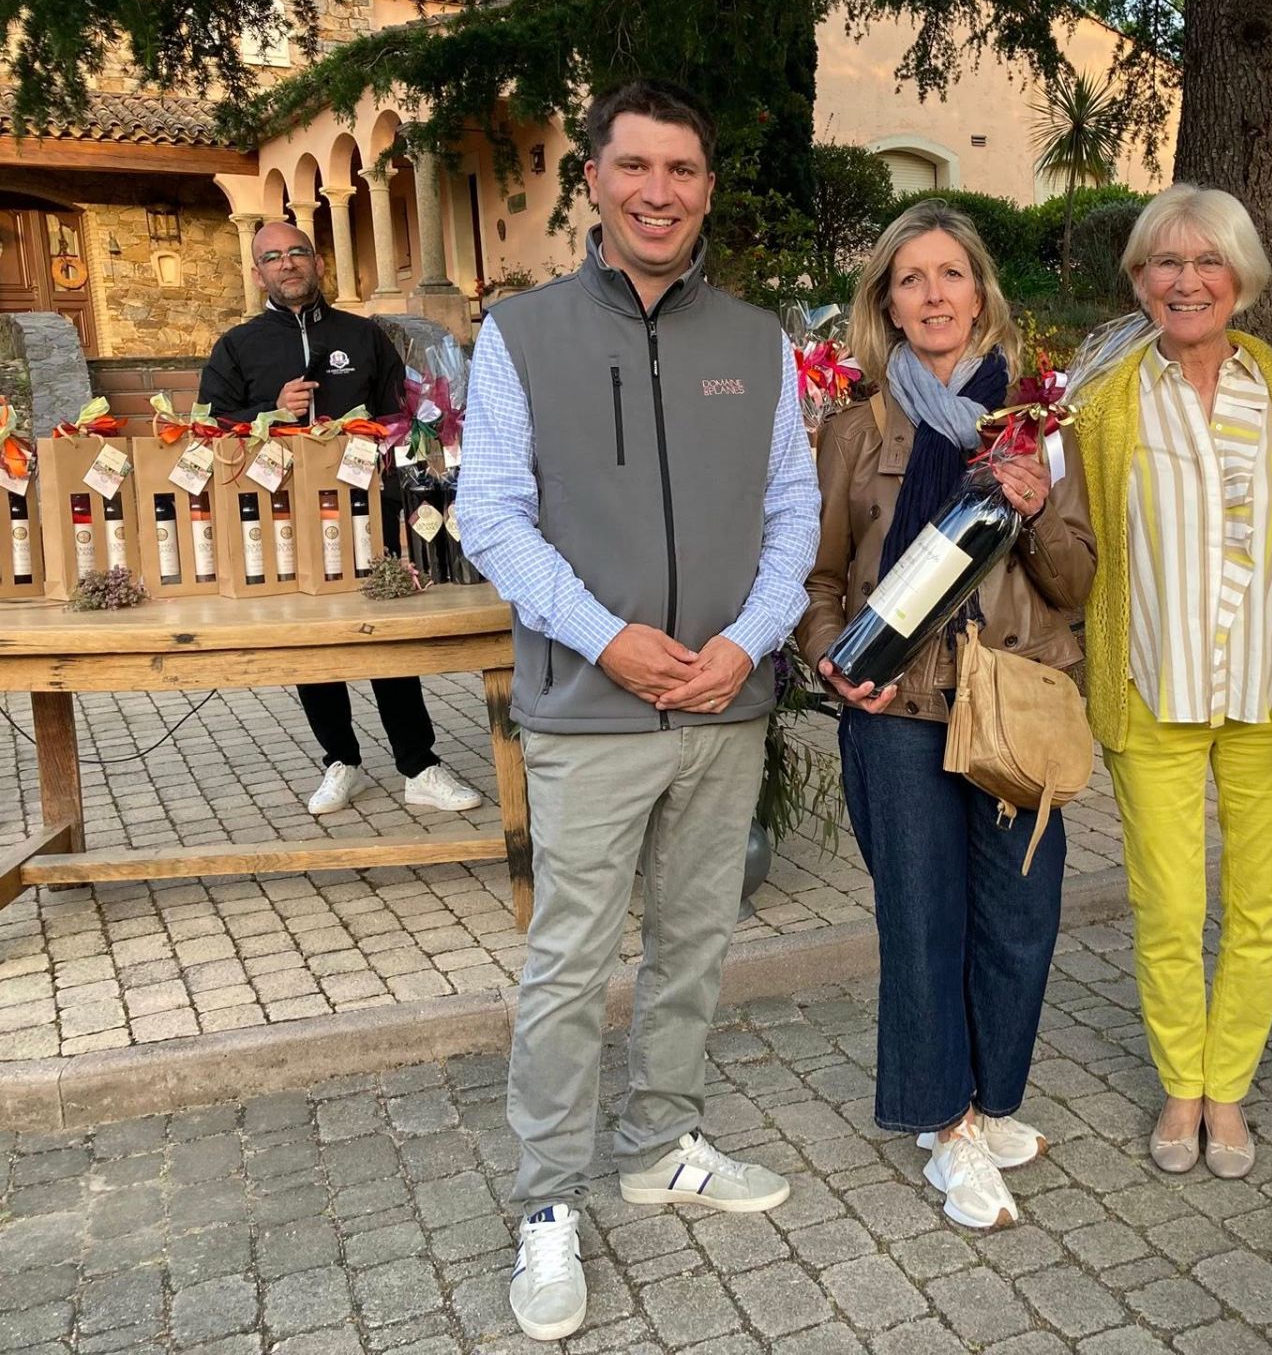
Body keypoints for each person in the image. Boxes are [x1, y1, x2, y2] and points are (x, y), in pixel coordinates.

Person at [460, 79, 819, 1343]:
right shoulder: (520, 337)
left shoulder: (759, 342)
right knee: (568, 964)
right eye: (634, 167)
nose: (658, 192)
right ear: (596, 181)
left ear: (707, 189)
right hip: (587, 708)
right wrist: (606, 635)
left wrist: (744, 643)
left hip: (724, 702)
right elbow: (490, 513)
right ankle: (548, 1200)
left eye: (682, 170)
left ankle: (661, 1144)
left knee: (695, 942)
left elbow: (793, 512)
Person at [797, 200, 1095, 1230]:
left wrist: (1037, 507)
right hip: (897, 708)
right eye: (910, 279)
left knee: (1019, 918)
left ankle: (988, 1097)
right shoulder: (854, 430)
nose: (933, 295)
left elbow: (1076, 582)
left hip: (1015, 701)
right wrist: (833, 661)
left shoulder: (1042, 428)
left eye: (950, 275)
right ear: (886, 303)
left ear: (980, 293)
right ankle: (950, 1123)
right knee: (922, 925)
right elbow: (818, 576)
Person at [1073, 185, 1272, 1180]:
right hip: (1151, 685)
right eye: (1164, 263)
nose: (1186, 281)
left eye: (1207, 261)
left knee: (1261, 907)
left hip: (1270, 692)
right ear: (1139, 280)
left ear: (1241, 278)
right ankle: (1182, 1084)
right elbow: (1068, 536)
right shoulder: (1101, 400)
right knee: (1169, 906)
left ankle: (1229, 1088)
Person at [199, 219, 482, 817]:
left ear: (318, 262)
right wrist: (269, 410)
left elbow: (400, 417)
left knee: (387, 636)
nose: (287, 264)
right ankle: (341, 760)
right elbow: (208, 426)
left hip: (369, 512)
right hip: (282, 517)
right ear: (257, 273)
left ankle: (418, 765)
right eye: (272, 257)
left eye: (297, 252)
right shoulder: (238, 346)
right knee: (314, 642)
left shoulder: (362, 335)